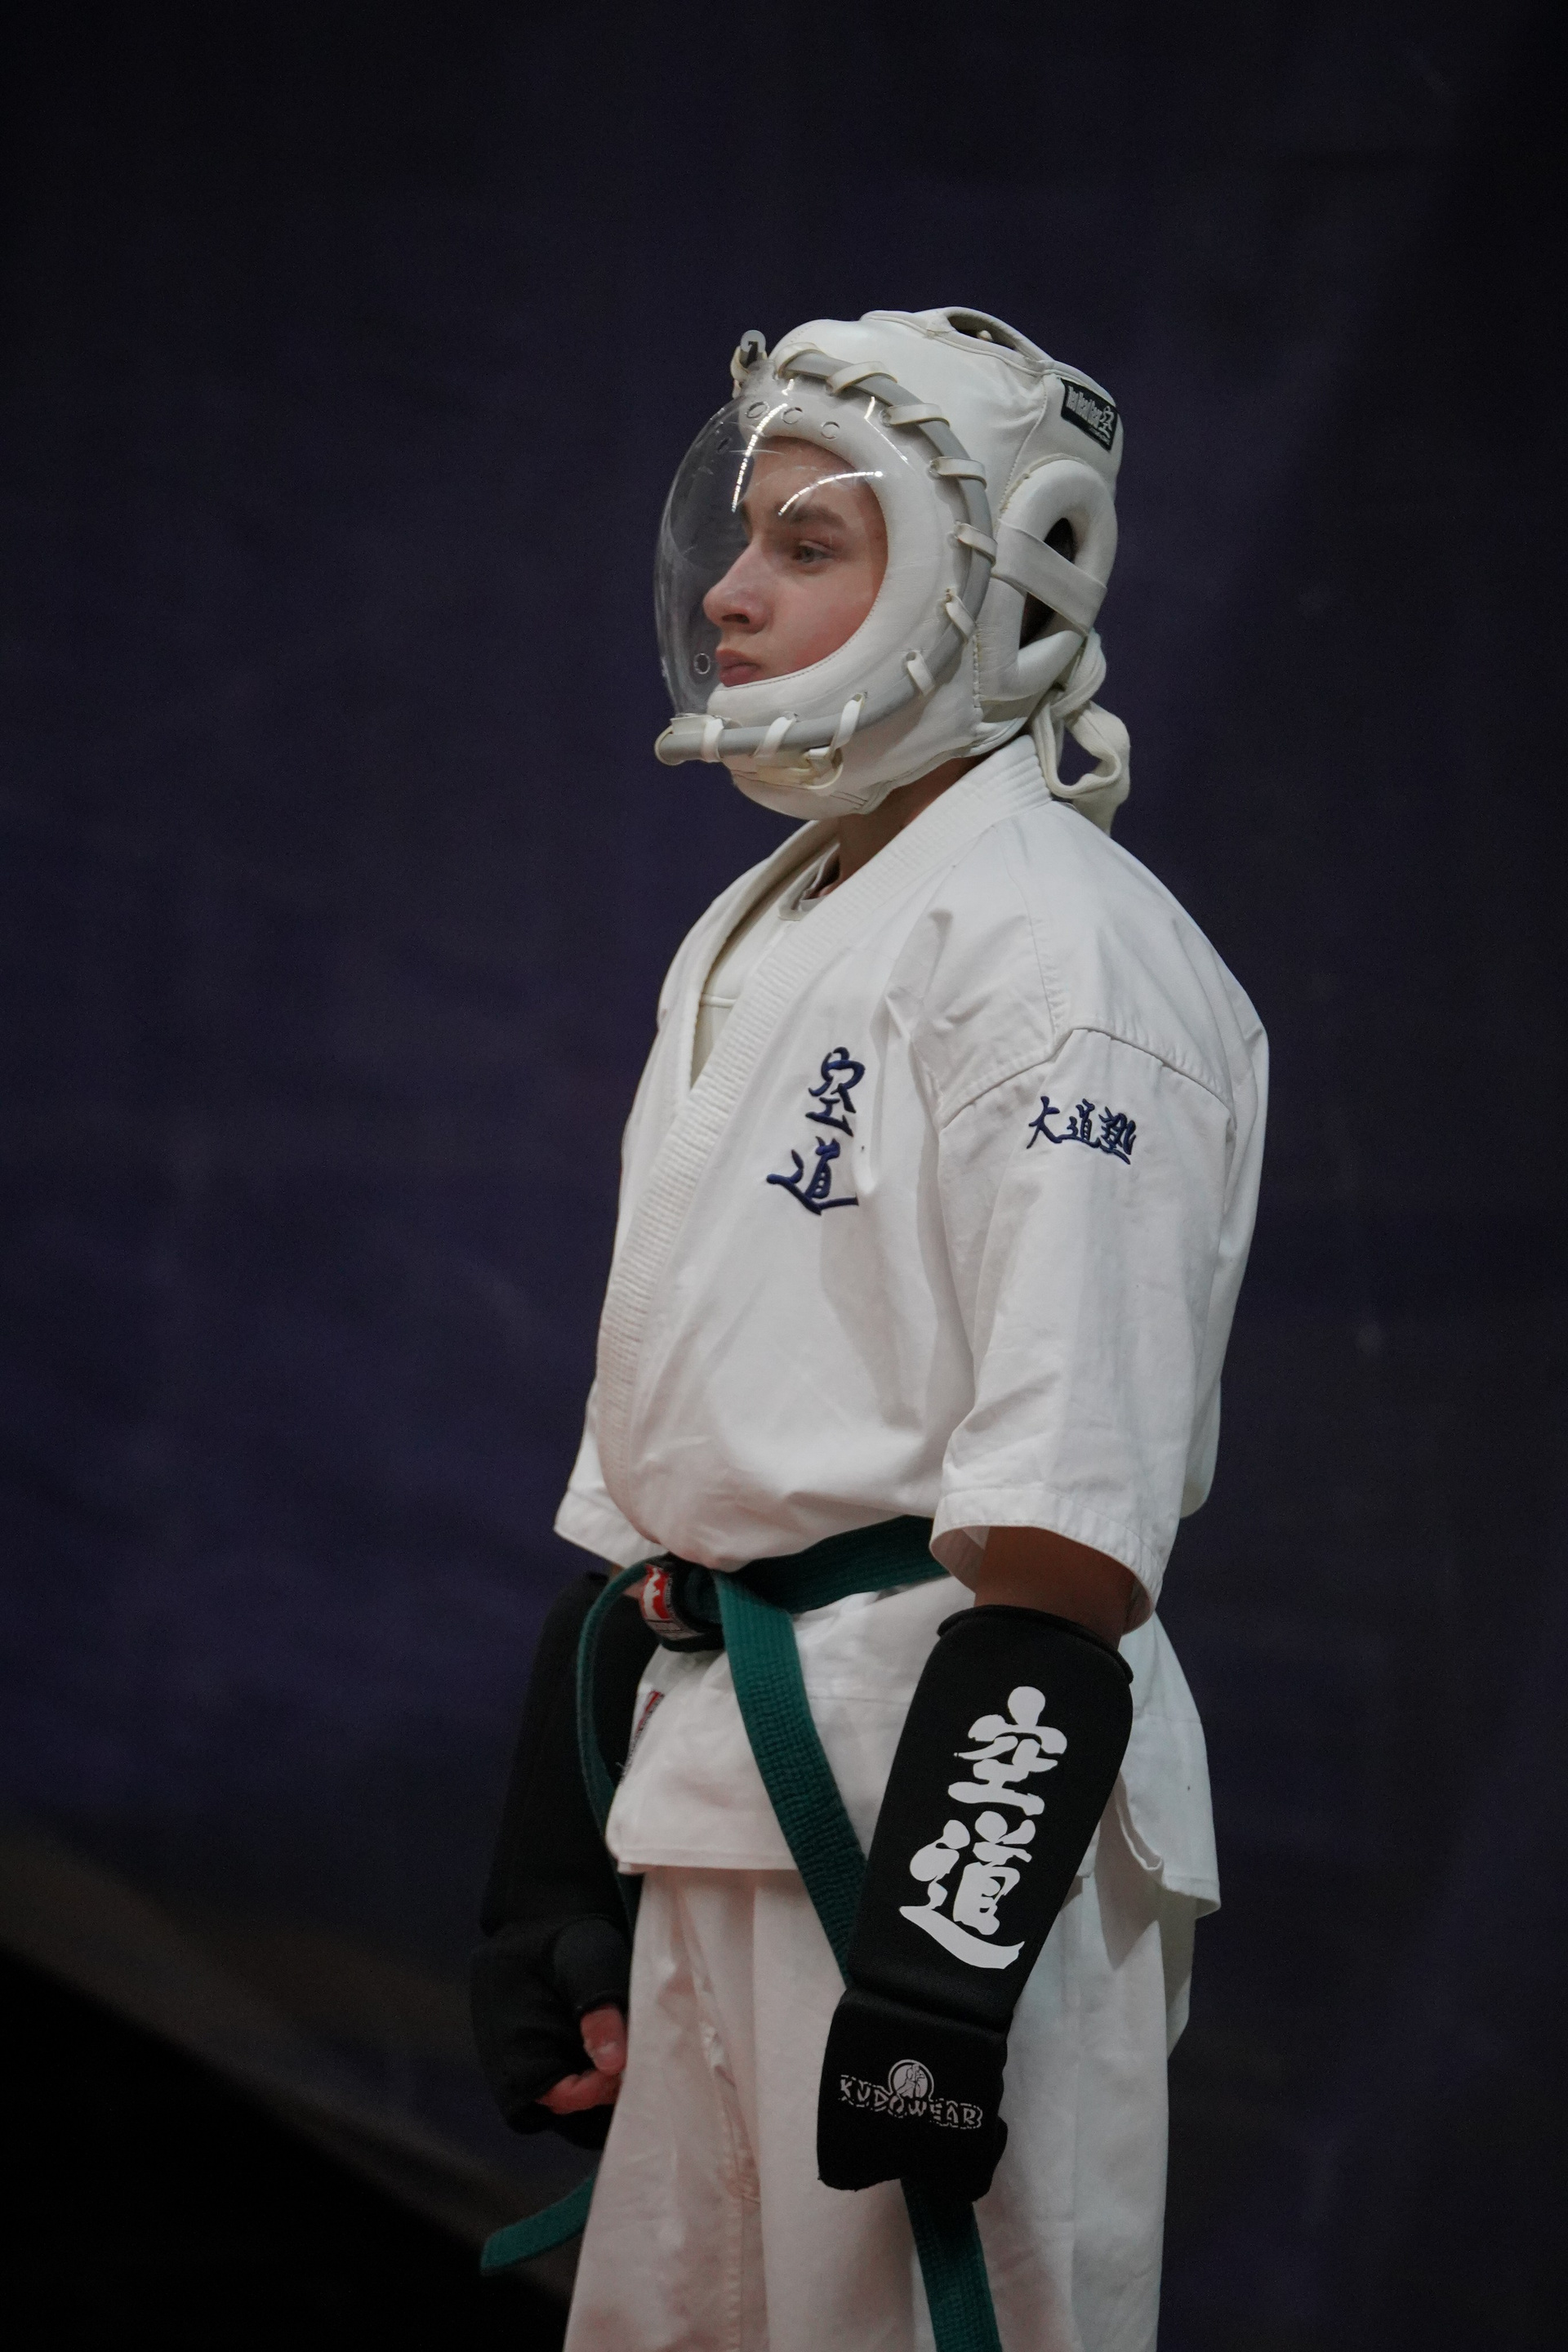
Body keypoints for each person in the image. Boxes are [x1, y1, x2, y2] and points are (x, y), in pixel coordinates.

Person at [472, 306, 1267, 2352]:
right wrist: (564, 1864)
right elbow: (676, 1476)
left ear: (996, 580)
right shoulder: (769, 923)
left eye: (811, 542)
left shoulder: (1066, 952)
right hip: (725, 1783)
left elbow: (1071, 1508)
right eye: (743, 537)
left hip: (952, 1818)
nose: (731, 594)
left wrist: (944, 1961)